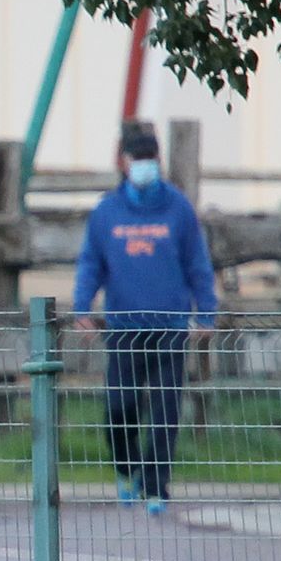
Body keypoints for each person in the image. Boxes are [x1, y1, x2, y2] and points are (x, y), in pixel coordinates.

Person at [72, 127, 217, 516]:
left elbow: (197, 264)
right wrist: (82, 309)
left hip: (169, 326)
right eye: (138, 159)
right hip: (124, 327)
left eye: (151, 158)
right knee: (120, 407)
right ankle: (127, 468)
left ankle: (156, 487)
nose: (145, 166)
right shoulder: (107, 212)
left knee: (166, 410)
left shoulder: (178, 208)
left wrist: (206, 313)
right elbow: (91, 264)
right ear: (124, 163)